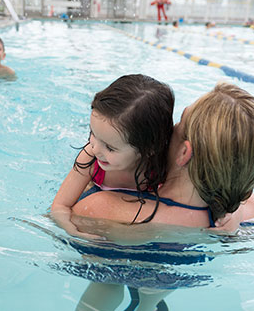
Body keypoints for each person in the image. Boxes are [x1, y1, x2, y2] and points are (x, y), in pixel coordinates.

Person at [69, 82, 254, 311]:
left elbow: (75, 221)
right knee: (154, 291)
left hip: (118, 257)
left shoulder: (107, 208)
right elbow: (248, 203)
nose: (170, 128)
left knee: (101, 290)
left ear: (184, 153)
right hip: (180, 270)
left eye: (177, 124)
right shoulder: (245, 211)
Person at [51, 74, 175, 239]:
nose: (96, 149)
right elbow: (60, 206)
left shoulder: (165, 165)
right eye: (92, 134)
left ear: (149, 148)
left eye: (110, 147)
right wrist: (73, 231)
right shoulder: (90, 158)